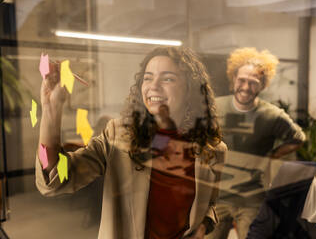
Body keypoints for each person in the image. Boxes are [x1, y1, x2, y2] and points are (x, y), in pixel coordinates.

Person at [35, 46, 227, 239]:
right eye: (148, 77)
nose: (154, 86)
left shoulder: (213, 149)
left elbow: (209, 204)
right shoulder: (118, 135)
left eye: (167, 78)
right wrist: (51, 108)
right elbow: (56, 180)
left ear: (190, 88)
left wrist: (202, 229)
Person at [208, 47, 305, 239]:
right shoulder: (214, 108)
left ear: (262, 85)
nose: (245, 87)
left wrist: (273, 155)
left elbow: (298, 138)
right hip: (217, 197)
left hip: (251, 198)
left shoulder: (272, 116)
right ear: (233, 79)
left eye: (253, 83)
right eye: (241, 80)